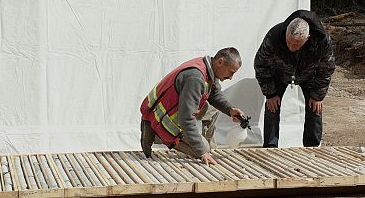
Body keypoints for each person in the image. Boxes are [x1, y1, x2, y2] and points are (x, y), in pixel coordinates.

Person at [140, 47, 245, 165]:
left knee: (204, 141)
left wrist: (230, 110)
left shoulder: (208, 67)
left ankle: (157, 132)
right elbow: (186, 119)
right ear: (220, 62)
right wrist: (201, 152)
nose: (231, 77)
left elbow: (214, 94)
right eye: (231, 72)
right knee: (204, 148)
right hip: (160, 120)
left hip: (166, 115)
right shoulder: (195, 78)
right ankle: (156, 134)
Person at [254, 10, 335, 148]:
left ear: (308, 38)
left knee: (315, 107)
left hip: (310, 75)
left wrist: (317, 95)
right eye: (289, 42)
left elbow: (327, 68)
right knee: (272, 106)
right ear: (286, 32)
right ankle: (270, 147)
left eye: (297, 45)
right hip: (279, 74)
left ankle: (313, 147)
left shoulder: (322, 40)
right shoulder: (274, 35)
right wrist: (271, 93)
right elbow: (261, 65)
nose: (292, 47)